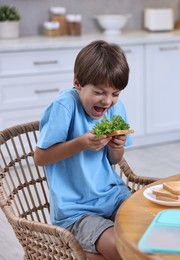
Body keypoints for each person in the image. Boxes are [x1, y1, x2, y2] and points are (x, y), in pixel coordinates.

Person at [34, 40, 131, 260]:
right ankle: (88, 249)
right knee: (122, 249)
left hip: (114, 196)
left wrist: (118, 146)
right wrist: (81, 143)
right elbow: (40, 157)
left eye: (115, 93)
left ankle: (88, 252)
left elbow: (115, 160)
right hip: (77, 211)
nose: (107, 101)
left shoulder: (116, 108)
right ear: (77, 83)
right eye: (99, 92)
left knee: (149, 230)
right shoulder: (65, 106)